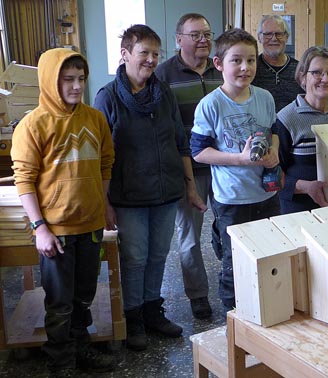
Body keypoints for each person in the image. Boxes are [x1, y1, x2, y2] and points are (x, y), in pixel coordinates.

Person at [94, 24, 206, 351]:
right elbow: (101, 157)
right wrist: (105, 203)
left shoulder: (164, 92)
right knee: (135, 258)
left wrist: (190, 188)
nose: (151, 60)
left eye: (156, 54)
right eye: (144, 52)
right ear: (125, 54)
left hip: (166, 193)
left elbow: (180, 143)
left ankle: (152, 311)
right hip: (128, 197)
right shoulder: (108, 97)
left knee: (158, 255)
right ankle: (132, 319)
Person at [11, 48, 116, 377]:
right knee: (59, 302)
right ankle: (61, 363)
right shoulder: (33, 125)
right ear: (49, 81)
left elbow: (106, 164)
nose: (75, 86)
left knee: (84, 295)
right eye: (67, 79)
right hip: (55, 230)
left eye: (80, 79)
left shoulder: (95, 118)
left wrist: (105, 204)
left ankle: (82, 349)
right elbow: (24, 180)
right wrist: (39, 227)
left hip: (91, 226)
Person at [191, 28, 280, 313]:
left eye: (251, 60)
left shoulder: (265, 97)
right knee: (234, 264)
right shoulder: (211, 104)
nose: (245, 67)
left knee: (268, 257)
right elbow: (199, 152)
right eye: (237, 60)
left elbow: (273, 131)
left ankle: (265, 311)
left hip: (266, 196)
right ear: (219, 64)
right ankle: (234, 320)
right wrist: (240, 159)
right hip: (232, 200)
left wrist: (274, 152)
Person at [155, 12, 222, 320]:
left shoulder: (222, 67)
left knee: (229, 230)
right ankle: (198, 295)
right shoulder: (163, 74)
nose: (203, 40)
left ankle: (232, 284)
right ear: (178, 39)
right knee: (189, 238)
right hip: (189, 169)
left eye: (206, 34)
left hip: (225, 166)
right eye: (195, 35)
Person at [276, 46, 328, 214]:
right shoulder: (286, 119)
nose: (325, 79)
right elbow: (271, 176)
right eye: (317, 72)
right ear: (303, 77)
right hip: (299, 212)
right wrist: (305, 187)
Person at [252, 15, 303, 112]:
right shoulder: (251, 69)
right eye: (268, 34)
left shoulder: (300, 69)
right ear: (259, 37)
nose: (274, 38)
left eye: (279, 34)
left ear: (286, 37)